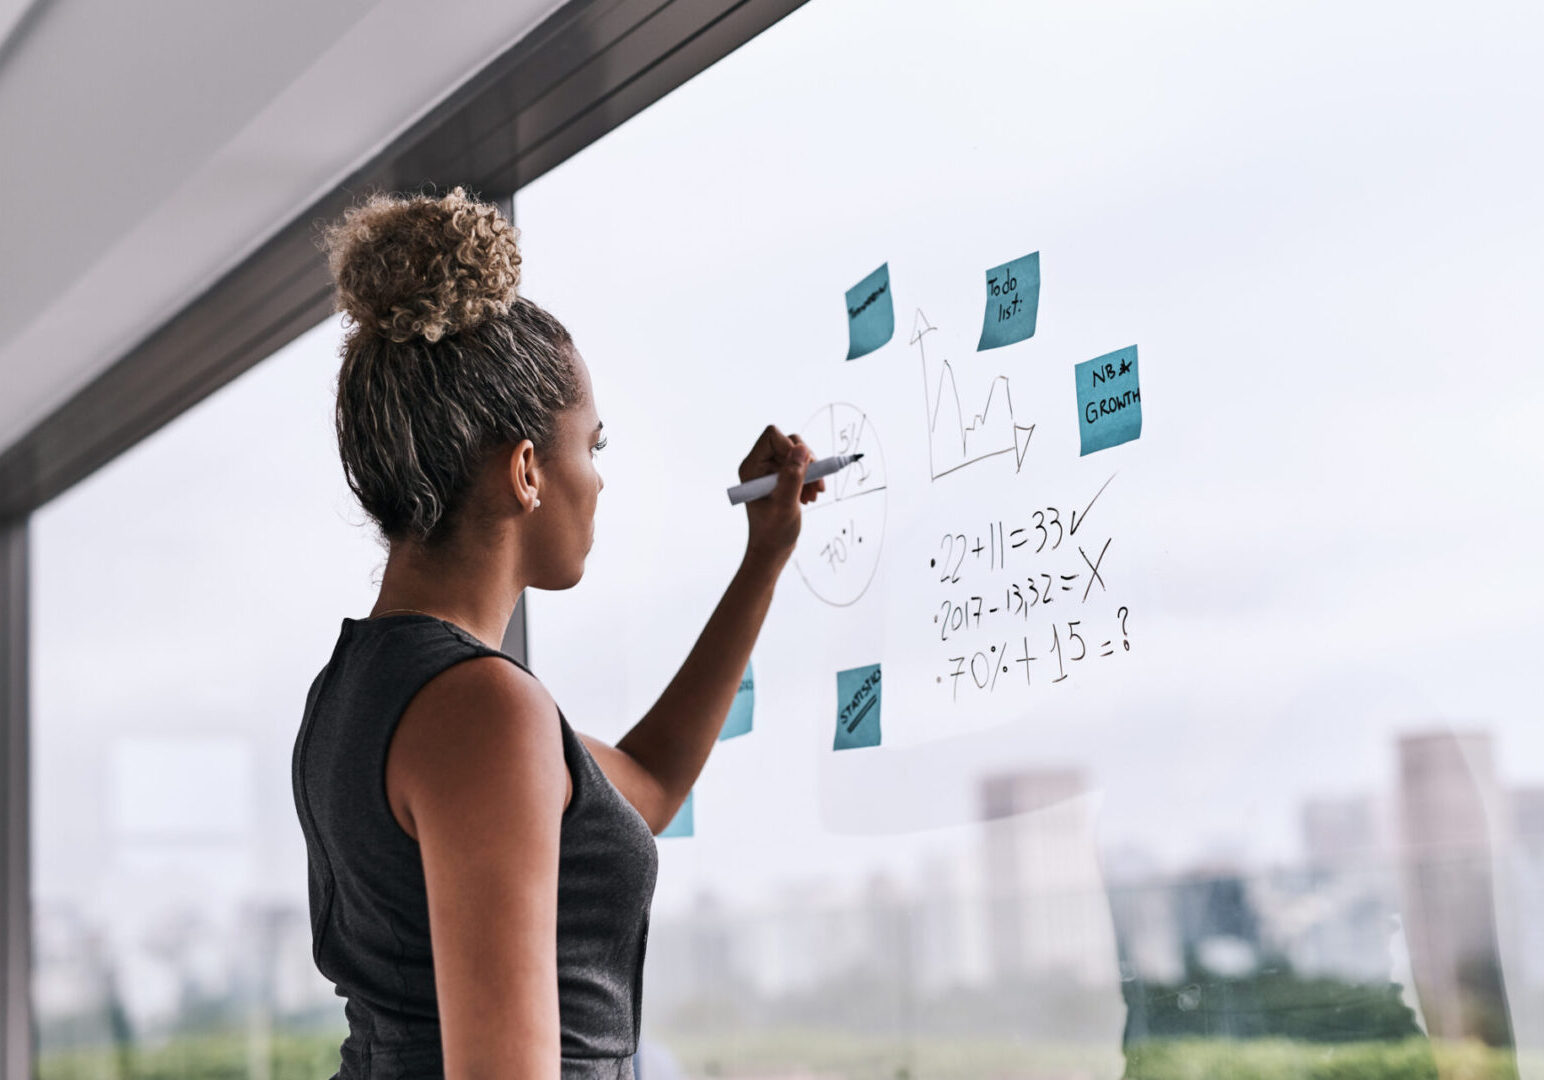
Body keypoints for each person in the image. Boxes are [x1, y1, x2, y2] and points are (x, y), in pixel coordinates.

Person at [291, 185, 826, 1079]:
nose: (601, 482)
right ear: (528, 470)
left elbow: (646, 788)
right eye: (595, 446)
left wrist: (762, 559)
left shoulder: (361, 688)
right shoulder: (481, 710)